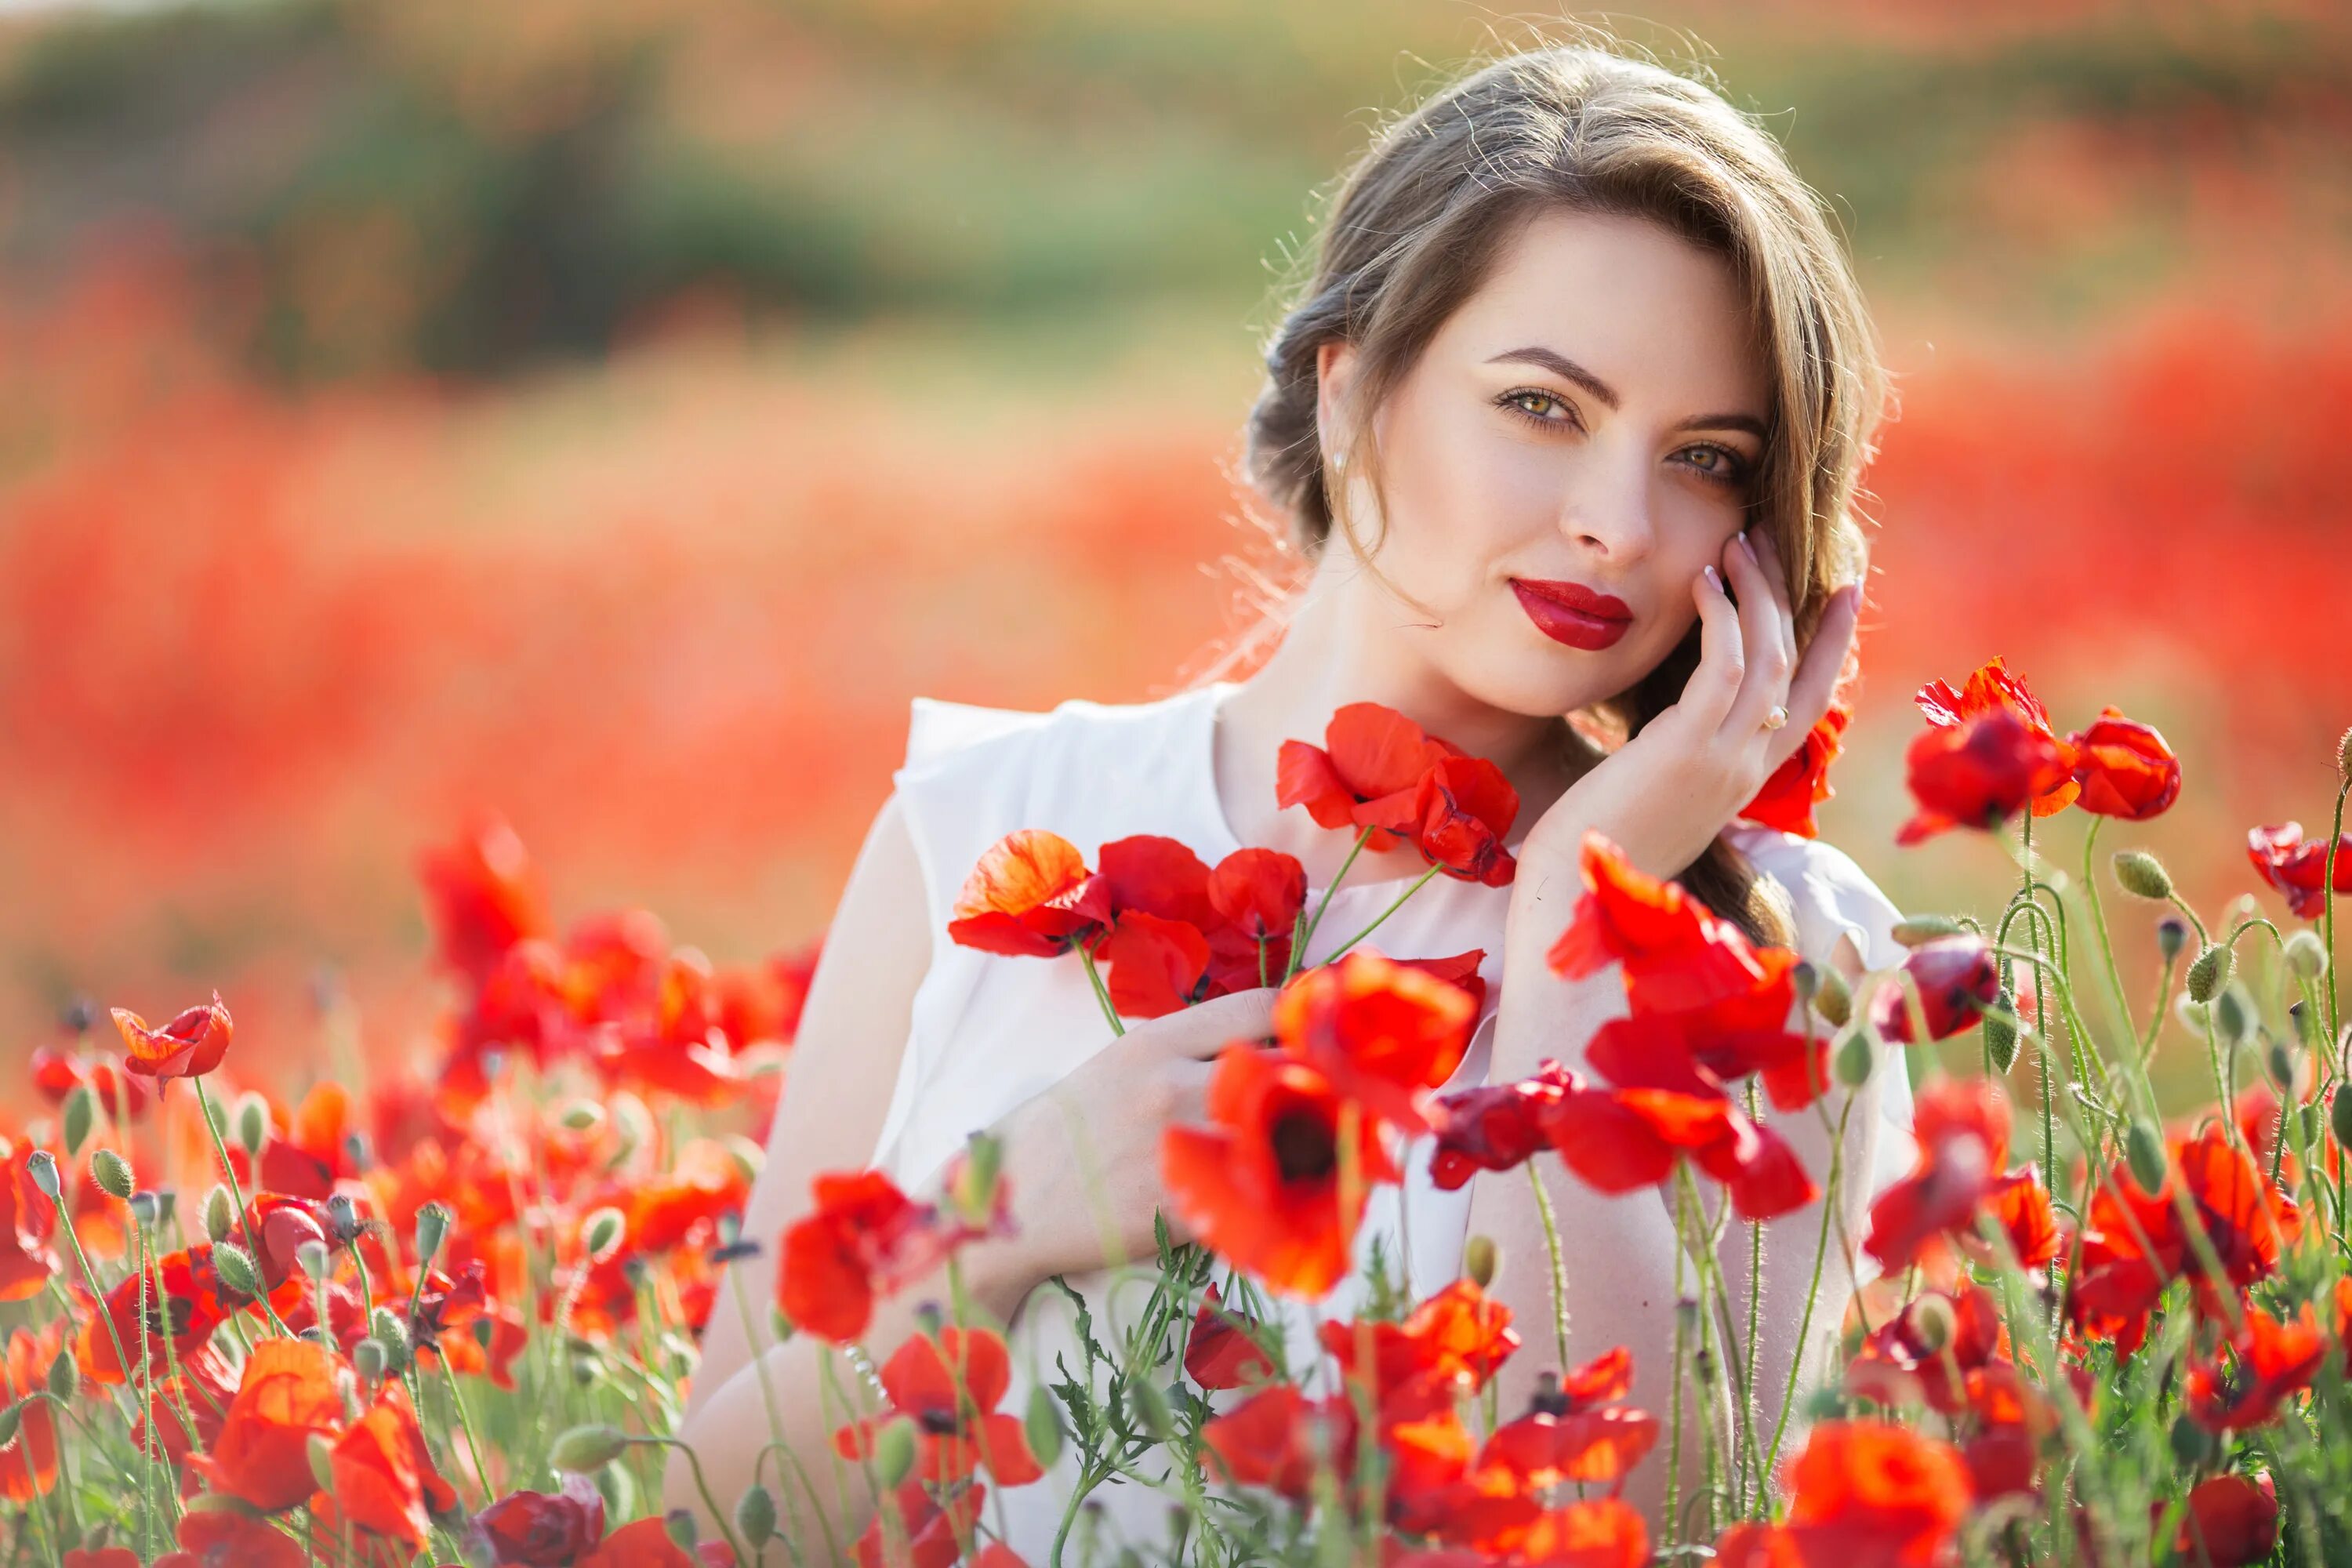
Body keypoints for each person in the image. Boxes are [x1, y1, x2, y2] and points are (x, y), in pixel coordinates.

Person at [673, 38, 1917, 1560]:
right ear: (1352, 389)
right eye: (1542, 407)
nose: (1617, 524)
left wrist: (1580, 924)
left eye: (1707, 458)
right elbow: (699, 1520)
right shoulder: (983, 831)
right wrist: (1002, 1221)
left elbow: (1631, 1518)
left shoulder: (1784, 954)